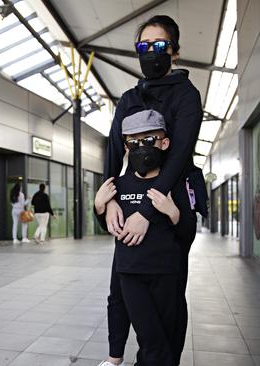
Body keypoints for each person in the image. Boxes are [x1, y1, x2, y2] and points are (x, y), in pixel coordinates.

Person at [100, 15, 205, 366]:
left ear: (174, 52)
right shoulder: (129, 98)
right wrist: (110, 196)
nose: (151, 52)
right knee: (122, 292)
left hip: (169, 208)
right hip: (130, 201)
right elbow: (114, 152)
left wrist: (147, 211)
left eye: (159, 46)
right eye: (143, 46)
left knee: (167, 303)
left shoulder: (186, 96)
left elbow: (178, 157)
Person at [95, 110, 196, 366]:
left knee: (165, 341)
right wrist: (99, 206)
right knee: (151, 339)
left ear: (164, 142)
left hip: (166, 274)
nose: (141, 148)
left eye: (149, 140)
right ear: (126, 147)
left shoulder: (173, 184)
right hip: (130, 275)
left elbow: (188, 233)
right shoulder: (117, 185)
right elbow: (108, 226)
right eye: (133, 142)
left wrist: (172, 212)